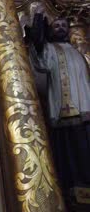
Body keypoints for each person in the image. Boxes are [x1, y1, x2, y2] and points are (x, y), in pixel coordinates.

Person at [26, 12, 90, 205]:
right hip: (64, 111)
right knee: (70, 151)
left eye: (64, 25)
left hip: (85, 107)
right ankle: (75, 191)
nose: (61, 28)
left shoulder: (76, 51)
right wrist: (38, 41)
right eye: (57, 26)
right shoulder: (50, 49)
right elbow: (42, 63)